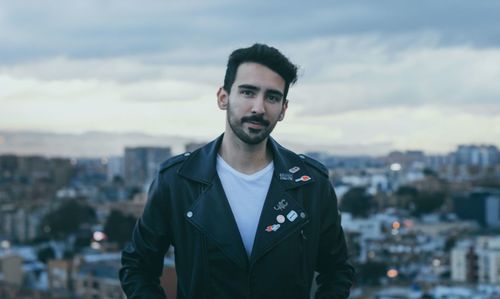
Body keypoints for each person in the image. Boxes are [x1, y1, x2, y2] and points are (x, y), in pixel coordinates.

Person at [119, 43, 354, 299]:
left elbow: (337, 271)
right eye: (248, 92)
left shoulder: (310, 184)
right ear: (223, 98)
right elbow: (138, 267)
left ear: (283, 109)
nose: (258, 108)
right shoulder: (178, 180)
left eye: (272, 97)